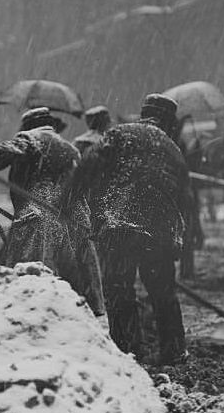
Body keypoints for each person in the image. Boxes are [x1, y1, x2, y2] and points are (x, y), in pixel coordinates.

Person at [69, 94, 193, 365]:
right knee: (163, 294)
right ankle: (173, 351)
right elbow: (184, 199)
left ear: (144, 112)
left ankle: (128, 351)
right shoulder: (173, 149)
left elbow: (87, 166)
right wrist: (177, 241)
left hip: (118, 228)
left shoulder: (119, 134)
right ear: (168, 120)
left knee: (119, 290)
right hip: (157, 235)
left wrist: (70, 200)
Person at [0, 107, 105, 315]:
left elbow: (3, 152)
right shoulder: (70, 148)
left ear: (28, 126)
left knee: (28, 277)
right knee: (76, 278)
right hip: (75, 219)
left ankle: (29, 318)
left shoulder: (32, 139)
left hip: (40, 214)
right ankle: (82, 320)